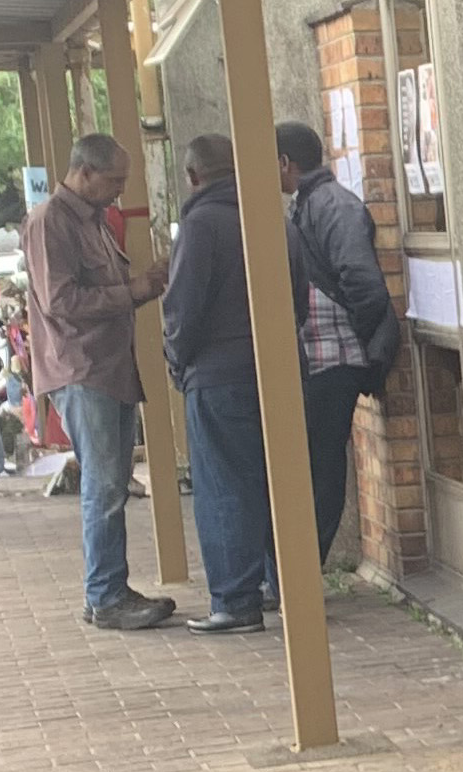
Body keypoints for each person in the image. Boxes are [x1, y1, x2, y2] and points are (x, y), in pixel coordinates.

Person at [24, 134, 172, 631]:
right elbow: (60, 302)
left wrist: (142, 288)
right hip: (83, 368)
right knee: (105, 486)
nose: (119, 191)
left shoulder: (92, 221)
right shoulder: (51, 222)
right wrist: (134, 290)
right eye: (114, 180)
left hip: (108, 366)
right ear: (84, 172)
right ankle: (106, 594)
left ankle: (109, 588)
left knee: (109, 483)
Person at [274, 120, 397, 592]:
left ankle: (307, 571)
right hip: (325, 357)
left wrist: (365, 348)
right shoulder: (315, 204)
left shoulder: (332, 206)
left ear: (287, 163)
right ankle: (303, 569)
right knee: (315, 465)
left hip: (335, 358)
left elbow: (364, 285)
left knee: (322, 468)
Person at [162, 135, 272, 635]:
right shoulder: (267, 216)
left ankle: (234, 599)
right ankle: (277, 583)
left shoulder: (200, 225)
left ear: (192, 176)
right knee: (267, 480)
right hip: (271, 369)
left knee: (222, 487)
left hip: (216, 373)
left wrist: (177, 361)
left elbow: (182, 306)